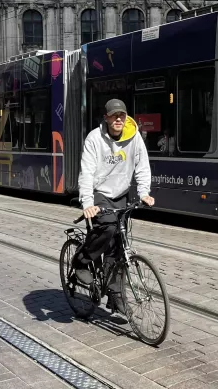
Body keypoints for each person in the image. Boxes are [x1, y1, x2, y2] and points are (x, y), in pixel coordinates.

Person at [75, 99, 154, 316]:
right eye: (114, 115)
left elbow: (142, 166)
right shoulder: (94, 138)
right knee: (107, 228)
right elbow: (87, 172)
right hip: (100, 192)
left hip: (121, 194)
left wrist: (144, 192)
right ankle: (81, 262)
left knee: (119, 246)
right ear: (106, 118)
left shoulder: (134, 136)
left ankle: (115, 291)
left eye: (122, 115)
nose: (118, 119)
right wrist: (88, 203)